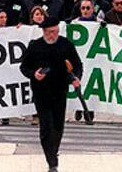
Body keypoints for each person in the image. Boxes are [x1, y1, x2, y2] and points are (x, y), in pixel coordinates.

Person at [20, 17, 83, 172]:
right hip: (41, 92)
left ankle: (52, 152)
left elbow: (77, 65)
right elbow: (24, 67)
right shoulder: (35, 46)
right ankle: (52, 162)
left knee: (58, 126)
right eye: (50, 32)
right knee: (46, 126)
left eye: (56, 32)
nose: (53, 35)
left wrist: (76, 78)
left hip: (60, 90)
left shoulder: (65, 44)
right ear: (44, 32)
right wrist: (33, 74)